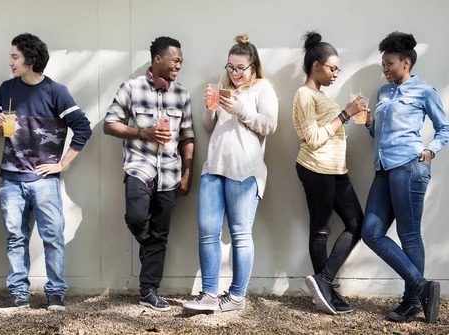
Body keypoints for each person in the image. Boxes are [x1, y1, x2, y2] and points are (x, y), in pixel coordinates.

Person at [0, 33, 92, 313]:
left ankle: (56, 293)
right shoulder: (6, 89)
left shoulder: (56, 92)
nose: (10, 61)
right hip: (10, 178)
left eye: (15, 57)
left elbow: (83, 128)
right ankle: (18, 293)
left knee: (53, 237)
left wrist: (62, 164)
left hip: (44, 180)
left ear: (30, 60)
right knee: (15, 237)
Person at [182, 34, 278, 312]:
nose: (234, 73)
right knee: (207, 232)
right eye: (230, 67)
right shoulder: (224, 86)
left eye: (240, 68)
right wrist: (211, 108)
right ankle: (209, 294)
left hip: (245, 171)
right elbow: (209, 127)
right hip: (214, 167)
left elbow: (269, 125)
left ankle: (236, 297)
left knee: (240, 234)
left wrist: (240, 110)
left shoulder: (263, 89)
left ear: (253, 67)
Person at [361, 31, 449, 324]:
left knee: (409, 236)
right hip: (383, 169)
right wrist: (369, 123)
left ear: (406, 63)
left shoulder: (424, 91)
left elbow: (444, 128)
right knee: (371, 232)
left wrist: (431, 150)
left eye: (389, 63)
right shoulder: (383, 93)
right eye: (383, 64)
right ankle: (423, 287)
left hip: (410, 166)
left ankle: (412, 301)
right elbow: (380, 134)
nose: (385, 69)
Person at [104, 36, 194, 311]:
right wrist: (142, 133)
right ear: (158, 59)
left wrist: (188, 173)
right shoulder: (131, 88)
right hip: (138, 167)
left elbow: (187, 136)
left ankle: (149, 290)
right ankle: (150, 244)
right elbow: (110, 124)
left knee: (162, 232)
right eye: (175, 59)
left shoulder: (182, 94)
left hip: (170, 172)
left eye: (181, 60)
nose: (179, 64)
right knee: (137, 217)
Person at [293, 32, 367, 315]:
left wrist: (357, 116)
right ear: (316, 66)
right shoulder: (304, 94)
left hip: (336, 169)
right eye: (332, 67)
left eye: (338, 69)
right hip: (315, 168)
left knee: (356, 223)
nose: (336, 73)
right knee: (321, 230)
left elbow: (329, 131)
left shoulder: (320, 96)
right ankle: (325, 292)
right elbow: (312, 138)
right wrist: (346, 114)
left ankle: (324, 281)